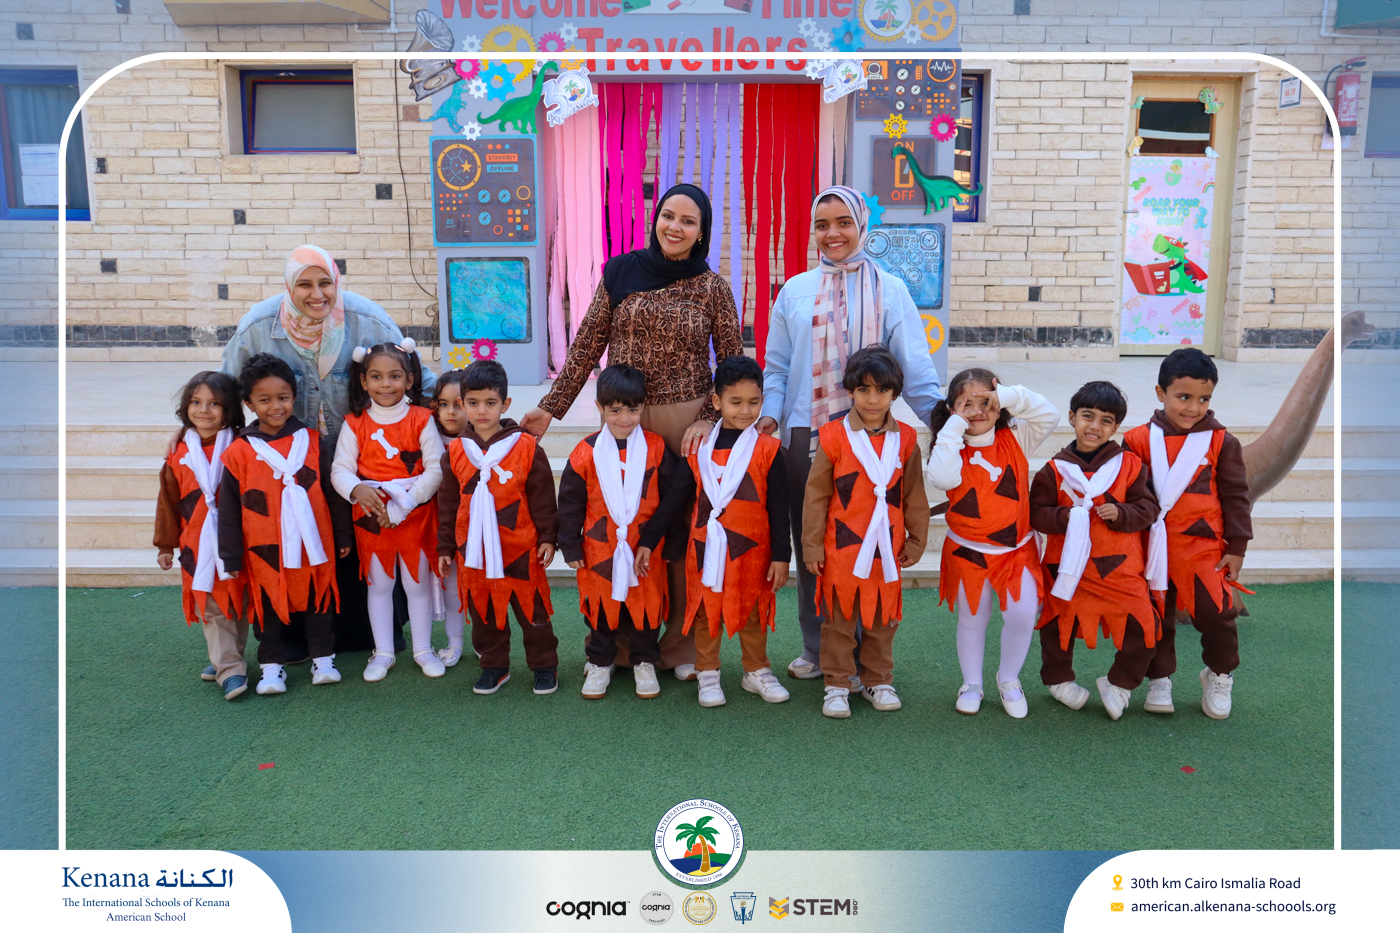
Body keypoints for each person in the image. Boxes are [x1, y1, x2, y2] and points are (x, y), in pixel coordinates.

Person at [520, 184, 744, 681]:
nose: (675, 227)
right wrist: (551, 408)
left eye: (688, 220)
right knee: (617, 526)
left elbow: (732, 365)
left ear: (702, 232)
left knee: (678, 533)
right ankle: (617, 647)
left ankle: (680, 647)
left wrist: (710, 419)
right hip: (624, 418)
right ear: (655, 218)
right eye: (668, 215)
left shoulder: (712, 287)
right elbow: (587, 342)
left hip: (685, 426)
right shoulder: (620, 271)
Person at [757, 185, 943, 683]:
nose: (832, 233)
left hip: (875, 436)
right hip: (807, 434)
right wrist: (770, 416)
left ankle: (865, 652)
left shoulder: (891, 290)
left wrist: (945, 425)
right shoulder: (794, 290)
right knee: (813, 540)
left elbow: (915, 369)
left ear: (862, 226)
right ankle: (819, 648)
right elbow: (776, 368)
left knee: (870, 537)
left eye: (843, 222)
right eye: (822, 225)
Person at [219, 244, 437, 659]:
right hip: (291, 466)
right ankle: (296, 642)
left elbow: (421, 381)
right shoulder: (259, 327)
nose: (317, 294)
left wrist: (464, 428)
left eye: (325, 283)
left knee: (359, 551)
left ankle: (374, 639)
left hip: (363, 464)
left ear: (337, 282)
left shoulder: (368, 320)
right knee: (299, 547)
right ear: (289, 286)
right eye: (304, 284)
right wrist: (196, 437)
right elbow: (225, 392)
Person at [1122, 348, 1252, 720]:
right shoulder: (1137, 440)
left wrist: (1237, 546)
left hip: (1203, 547)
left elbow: (1236, 496)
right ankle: (1159, 679)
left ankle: (1220, 674)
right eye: (1183, 397)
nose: (1194, 408)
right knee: (1156, 616)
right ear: (1160, 393)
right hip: (1151, 547)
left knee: (1218, 613)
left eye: (1204, 399)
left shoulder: (1222, 442)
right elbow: (1127, 492)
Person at [801, 345, 930, 719]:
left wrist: (917, 540)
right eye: (864, 390)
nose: (873, 400)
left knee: (882, 619)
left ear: (895, 393)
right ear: (850, 391)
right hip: (841, 547)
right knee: (839, 620)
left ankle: (878, 680)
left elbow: (913, 494)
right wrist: (812, 546)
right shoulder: (832, 436)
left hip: (887, 547)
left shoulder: (906, 439)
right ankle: (837, 683)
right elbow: (816, 496)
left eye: (882, 390)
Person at [925, 368, 1059, 719]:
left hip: (1015, 552)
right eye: (967, 404)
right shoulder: (950, 447)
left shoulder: (1017, 437)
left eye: (986, 402)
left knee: (1022, 614)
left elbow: (1049, 414)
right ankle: (971, 683)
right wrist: (954, 427)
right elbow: (941, 478)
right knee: (973, 618)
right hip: (968, 553)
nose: (977, 411)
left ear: (999, 406)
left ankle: (1009, 678)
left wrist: (1010, 395)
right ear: (952, 408)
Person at [217, 353, 352, 696]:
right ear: (249, 403)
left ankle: (323, 659)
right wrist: (230, 555)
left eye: (283, 397)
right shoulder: (239, 451)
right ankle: (271, 666)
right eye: (264, 400)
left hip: (313, 542)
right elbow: (229, 509)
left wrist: (342, 535)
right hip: (263, 548)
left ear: (294, 396)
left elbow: (333, 493)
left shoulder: (311, 441)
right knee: (268, 605)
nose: (275, 407)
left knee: (318, 599)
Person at [557, 365, 693, 700]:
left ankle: (644, 661)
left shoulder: (656, 448)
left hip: (645, 549)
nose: (624, 418)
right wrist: (570, 545)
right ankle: (600, 661)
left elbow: (676, 496)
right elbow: (570, 503)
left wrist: (670, 542)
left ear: (642, 407)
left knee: (646, 606)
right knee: (602, 609)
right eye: (615, 410)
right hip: (598, 549)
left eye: (632, 410)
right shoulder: (584, 453)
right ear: (600, 407)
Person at [1030, 381, 1160, 721]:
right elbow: (1036, 513)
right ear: (1072, 417)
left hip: (1120, 569)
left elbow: (1148, 508)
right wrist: (1064, 517)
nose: (1095, 426)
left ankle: (1120, 683)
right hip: (1067, 569)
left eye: (1106, 420)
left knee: (1145, 626)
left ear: (1116, 428)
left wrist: (1123, 513)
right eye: (1087, 416)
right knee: (1057, 626)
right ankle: (1058, 679)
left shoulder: (1130, 465)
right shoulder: (1054, 470)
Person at [436, 360, 560, 697]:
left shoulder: (526, 447)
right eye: (473, 403)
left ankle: (544, 665)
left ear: (505, 404)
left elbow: (542, 498)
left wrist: (549, 537)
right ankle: (493, 665)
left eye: (490, 403)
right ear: (462, 404)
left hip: (520, 546)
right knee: (484, 610)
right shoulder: (456, 452)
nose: (482, 411)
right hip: (474, 550)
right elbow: (448, 504)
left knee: (532, 610)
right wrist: (445, 546)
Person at [679, 355, 792, 709]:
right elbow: (677, 498)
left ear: (763, 401)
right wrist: (651, 541)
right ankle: (707, 670)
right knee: (705, 608)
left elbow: (779, 507)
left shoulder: (769, 449)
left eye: (753, 402)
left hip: (754, 550)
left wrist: (781, 555)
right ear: (716, 402)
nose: (745, 411)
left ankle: (755, 670)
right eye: (735, 402)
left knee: (754, 608)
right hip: (705, 547)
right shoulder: (699, 448)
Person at [330, 340, 445, 683]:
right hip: (371, 516)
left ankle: (423, 649)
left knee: (416, 584)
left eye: (395, 376)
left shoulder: (422, 419)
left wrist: (404, 504)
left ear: (409, 380)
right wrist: (357, 489)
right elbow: (340, 469)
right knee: (379, 586)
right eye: (376, 377)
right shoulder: (354, 423)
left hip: (414, 515)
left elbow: (436, 469)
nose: (385, 384)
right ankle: (383, 651)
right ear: (363, 381)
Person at [154, 371, 250, 701]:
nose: (204, 410)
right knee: (211, 604)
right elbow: (167, 500)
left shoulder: (243, 445)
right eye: (196, 402)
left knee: (237, 601)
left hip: (236, 540)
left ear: (230, 409)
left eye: (214, 404)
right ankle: (229, 668)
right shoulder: (179, 452)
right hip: (196, 543)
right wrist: (165, 545)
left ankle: (226, 654)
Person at [427, 369, 471, 668]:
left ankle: (485, 641)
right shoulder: (427, 437)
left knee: (477, 584)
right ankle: (454, 642)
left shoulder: (480, 439)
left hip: (471, 525)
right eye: (444, 404)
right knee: (450, 585)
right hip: (434, 524)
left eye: (459, 404)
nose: (451, 412)